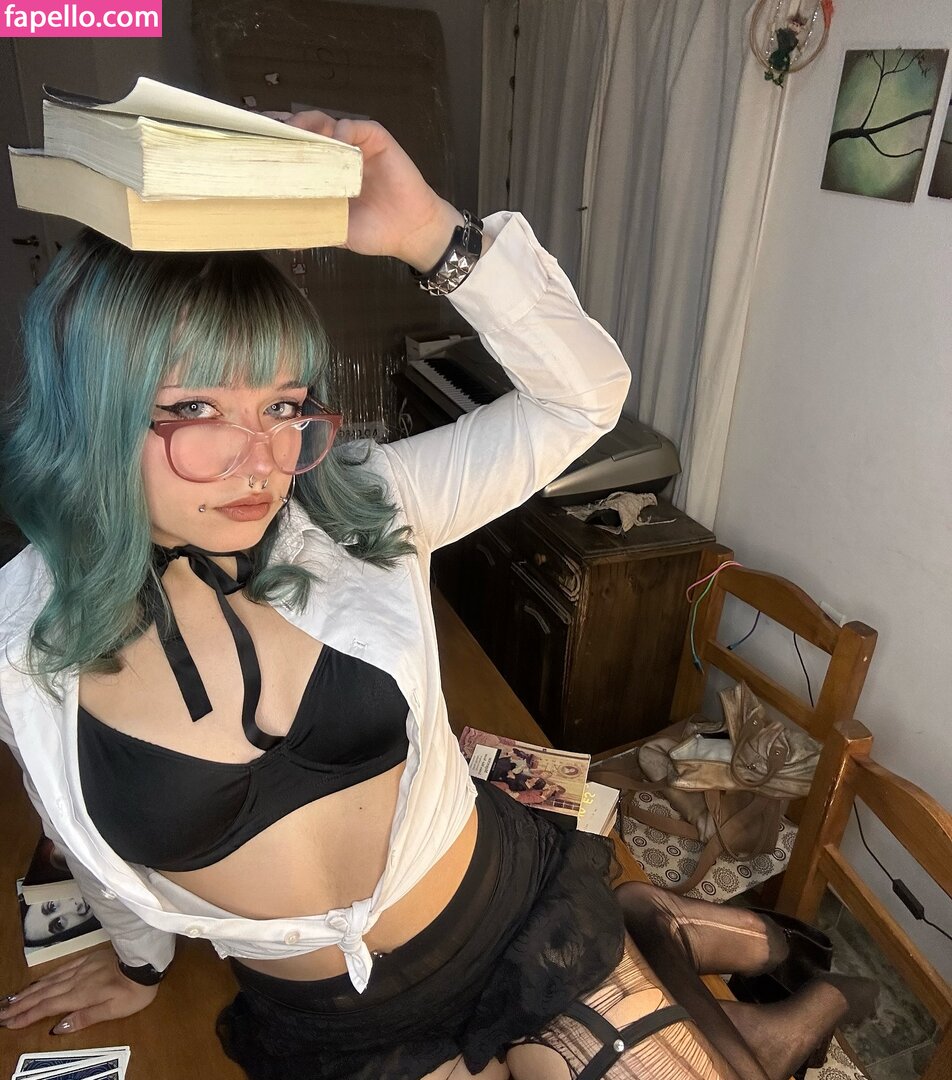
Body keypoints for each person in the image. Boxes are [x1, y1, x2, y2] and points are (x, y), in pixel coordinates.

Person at [0, 110, 874, 1079]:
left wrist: (432, 238)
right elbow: (74, 822)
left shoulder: (359, 507)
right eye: (198, 409)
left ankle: (731, 962)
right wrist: (139, 963)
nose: (262, 461)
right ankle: (709, 960)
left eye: (284, 405)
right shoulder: (18, 642)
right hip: (332, 1023)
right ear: (89, 417)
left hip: (504, 920)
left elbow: (579, 398)